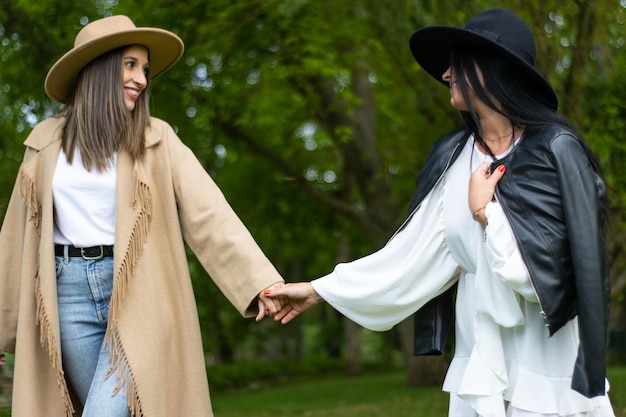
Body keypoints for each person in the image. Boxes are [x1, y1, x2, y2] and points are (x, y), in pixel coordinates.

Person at [266, 8, 615, 417]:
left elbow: (555, 278)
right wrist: (321, 290)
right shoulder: (452, 156)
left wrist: (486, 213)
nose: (447, 74)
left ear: (489, 68)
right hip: (479, 355)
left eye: (457, 63)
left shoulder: (558, 150)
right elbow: (411, 256)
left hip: (544, 364)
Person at [0, 15, 284, 417]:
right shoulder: (44, 143)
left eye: (145, 69)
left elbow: (209, 213)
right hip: (67, 299)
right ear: (98, 67)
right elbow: (14, 238)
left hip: (139, 290)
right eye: (130, 65)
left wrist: (258, 282)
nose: (142, 79)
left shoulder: (156, 138)